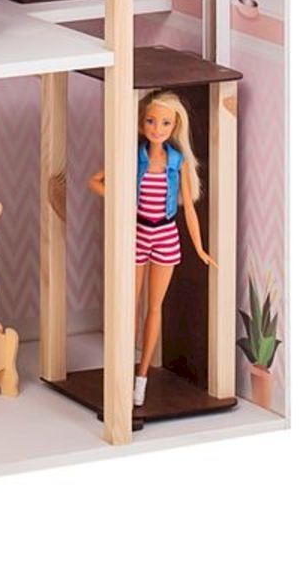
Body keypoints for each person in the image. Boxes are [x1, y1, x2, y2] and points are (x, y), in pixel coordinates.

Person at [88, 89, 216, 407]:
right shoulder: (134, 156)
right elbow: (95, 182)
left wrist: (200, 248)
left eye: (165, 123)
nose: (157, 128)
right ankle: (123, 370)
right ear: (142, 122)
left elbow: (189, 210)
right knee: (130, 304)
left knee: (154, 307)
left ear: (175, 126)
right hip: (137, 232)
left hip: (166, 235)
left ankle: (142, 377)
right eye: (151, 121)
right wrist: (121, 199)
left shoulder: (177, 161)